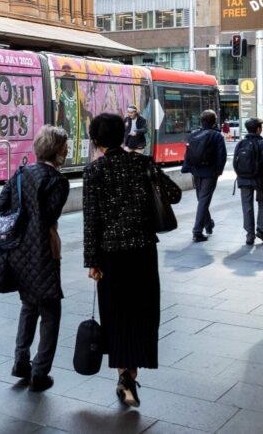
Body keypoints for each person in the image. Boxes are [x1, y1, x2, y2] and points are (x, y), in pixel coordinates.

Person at [83, 113, 164, 408]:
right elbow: (173, 194)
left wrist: (92, 260)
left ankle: (124, 377)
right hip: (143, 252)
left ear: (95, 141)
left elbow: (91, 221)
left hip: (110, 256)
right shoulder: (142, 164)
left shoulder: (94, 172)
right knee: (142, 313)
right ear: (122, 135)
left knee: (116, 314)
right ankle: (132, 375)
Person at [0, 126, 70, 392]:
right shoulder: (58, 181)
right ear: (56, 150)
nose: (67, 150)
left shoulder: (20, 174)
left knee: (29, 306)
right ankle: (40, 374)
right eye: (64, 146)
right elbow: (48, 216)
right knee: (50, 311)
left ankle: (21, 362)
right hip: (42, 251)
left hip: (17, 251)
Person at [181, 110, 227, 242]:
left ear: (201, 121)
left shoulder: (193, 134)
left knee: (201, 199)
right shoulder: (217, 136)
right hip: (210, 172)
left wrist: (188, 168)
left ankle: (208, 224)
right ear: (214, 121)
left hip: (196, 171)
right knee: (204, 200)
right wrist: (218, 171)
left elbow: (187, 154)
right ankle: (197, 231)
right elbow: (221, 156)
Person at [234, 118, 263, 246]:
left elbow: (235, 162)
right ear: (258, 129)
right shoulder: (262, 143)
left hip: (244, 179)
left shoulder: (241, 143)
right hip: (260, 180)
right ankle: (261, 230)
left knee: (247, 206)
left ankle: (249, 235)